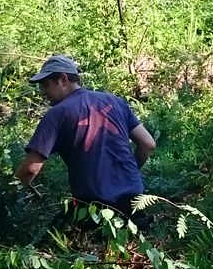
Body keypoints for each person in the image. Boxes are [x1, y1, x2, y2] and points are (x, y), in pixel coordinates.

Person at [15, 55, 157, 220]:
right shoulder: (115, 102)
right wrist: (129, 172)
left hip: (93, 208)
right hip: (135, 201)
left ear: (63, 79)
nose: (43, 92)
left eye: (46, 85)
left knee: (54, 240)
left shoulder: (57, 114)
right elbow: (148, 143)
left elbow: (30, 169)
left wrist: (9, 190)